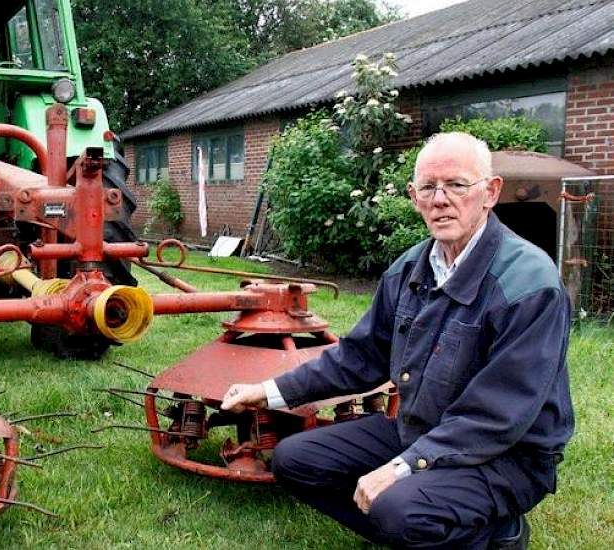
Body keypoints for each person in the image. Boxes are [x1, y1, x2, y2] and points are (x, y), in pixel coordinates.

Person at [220, 132, 574, 549]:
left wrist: (402, 468)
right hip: (420, 429)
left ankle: (497, 533)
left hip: (508, 455)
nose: (440, 199)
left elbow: (498, 415)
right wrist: (269, 391)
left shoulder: (529, 283)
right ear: (414, 196)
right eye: (428, 187)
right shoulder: (409, 268)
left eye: (457, 185)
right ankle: (426, 529)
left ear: (490, 192)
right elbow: (360, 355)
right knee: (294, 460)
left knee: (397, 510)